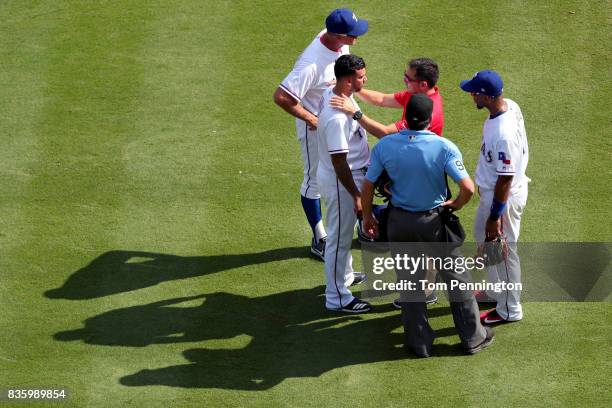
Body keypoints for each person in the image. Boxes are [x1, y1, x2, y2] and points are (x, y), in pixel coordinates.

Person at [361, 93, 494, 357]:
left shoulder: (385, 147)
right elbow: (467, 188)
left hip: (399, 223)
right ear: (429, 118)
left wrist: (367, 217)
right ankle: (472, 338)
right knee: (457, 280)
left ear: (405, 118)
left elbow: (367, 186)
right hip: (434, 224)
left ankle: (419, 343)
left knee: (410, 284)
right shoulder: (444, 146)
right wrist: (456, 204)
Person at [273, 8, 369, 261]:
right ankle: (319, 236)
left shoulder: (337, 43)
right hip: (316, 128)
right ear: (337, 35)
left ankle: (362, 218)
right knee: (314, 181)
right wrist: (314, 119)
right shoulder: (311, 64)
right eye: (351, 35)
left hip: (342, 117)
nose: (355, 39)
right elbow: (282, 97)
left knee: (355, 166)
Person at [459, 70, 529, 325]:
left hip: (504, 198)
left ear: (486, 96)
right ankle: (495, 289)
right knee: (482, 237)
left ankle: (510, 308)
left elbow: (505, 179)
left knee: (504, 251)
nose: (470, 94)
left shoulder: (503, 134)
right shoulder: (508, 105)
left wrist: (495, 216)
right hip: (495, 194)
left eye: (474, 92)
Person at [317, 54, 382, 313]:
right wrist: (356, 195)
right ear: (346, 80)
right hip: (341, 181)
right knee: (338, 240)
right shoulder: (336, 117)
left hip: (343, 176)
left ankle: (344, 278)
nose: (365, 79)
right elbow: (339, 163)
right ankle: (337, 297)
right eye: (361, 76)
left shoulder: (338, 96)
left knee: (341, 237)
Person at [329, 57, 444, 138]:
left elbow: (385, 133)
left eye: (408, 79)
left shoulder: (426, 113)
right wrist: (354, 87)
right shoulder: (416, 93)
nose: (404, 80)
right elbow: (382, 99)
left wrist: (355, 113)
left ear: (423, 85)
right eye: (405, 75)